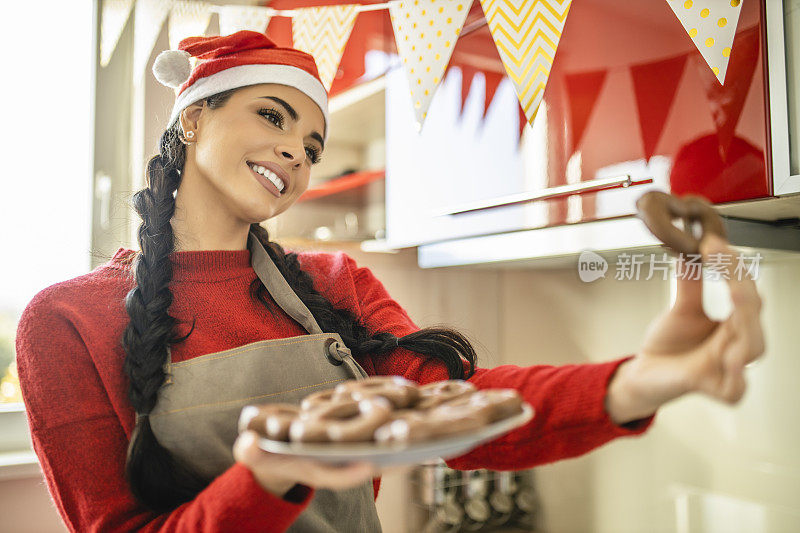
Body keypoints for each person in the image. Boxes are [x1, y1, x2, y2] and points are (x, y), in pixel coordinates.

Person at [14, 31, 765, 532]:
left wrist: (639, 381)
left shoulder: (336, 282)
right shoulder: (64, 322)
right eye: (270, 115)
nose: (295, 156)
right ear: (192, 122)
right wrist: (271, 475)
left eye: (312, 145)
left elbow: (460, 412)